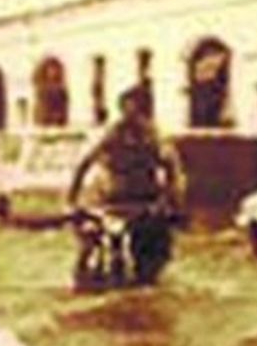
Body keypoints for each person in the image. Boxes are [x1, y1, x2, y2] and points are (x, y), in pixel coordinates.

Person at [65, 83, 186, 285]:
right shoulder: (113, 134)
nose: (130, 115)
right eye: (125, 108)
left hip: (146, 200)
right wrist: (72, 199)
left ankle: (147, 275)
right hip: (112, 199)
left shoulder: (154, 136)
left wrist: (173, 200)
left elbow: (172, 168)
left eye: (135, 109)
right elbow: (85, 163)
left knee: (152, 254)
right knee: (90, 240)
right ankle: (87, 272)